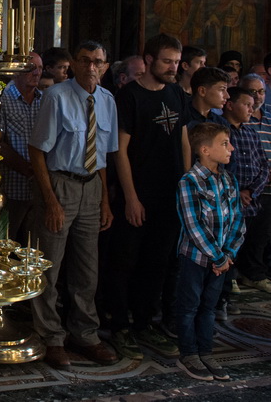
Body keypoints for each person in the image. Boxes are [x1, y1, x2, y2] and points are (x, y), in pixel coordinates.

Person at [28, 41, 119, 370]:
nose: (91, 67)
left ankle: (85, 333)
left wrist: (105, 200)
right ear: (74, 65)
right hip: (60, 184)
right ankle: (51, 336)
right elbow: (37, 151)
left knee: (87, 269)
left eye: (98, 62)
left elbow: (105, 155)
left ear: (105, 67)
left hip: (91, 187)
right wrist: (51, 200)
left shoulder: (108, 101)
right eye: (85, 61)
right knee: (48, 267)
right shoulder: (57, 97)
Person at [108, 33, 190, 361]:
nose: (174, 67)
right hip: (138, 194)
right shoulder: (129, 96)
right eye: (168, 61)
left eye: (177, 61)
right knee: (125, 261)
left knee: (157, 263)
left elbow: (183, 140)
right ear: (149, 60)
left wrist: (186, 187)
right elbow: (120, 151)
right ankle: (119, 327)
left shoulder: (176, 93)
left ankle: (144, 322)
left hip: (169, 195)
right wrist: (130, 197)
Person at [175, 122, 244, 381]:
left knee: (209, 306)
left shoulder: (228, 179)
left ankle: (206, 351)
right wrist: (217, 256)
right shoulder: (189, 182)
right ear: (205, 149)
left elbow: (238, 219)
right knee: (189, 306)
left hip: (221, 261)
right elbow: (194, 226)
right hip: (196, 259)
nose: (232, 148)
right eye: (225, 144)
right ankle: (189, 353)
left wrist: (228, 254)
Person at [221, 87, 270, 296]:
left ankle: (251, 273)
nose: (251, 109)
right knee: (228, 240)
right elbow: (218, 166)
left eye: (253, 105)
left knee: (254, 236)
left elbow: (263, 165)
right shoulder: (221, 130)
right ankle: (228, 278)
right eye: (246, 105)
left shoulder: (250, 131)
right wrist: (237, 192)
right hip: (228, 198)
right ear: (230, 105)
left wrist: (251, 191)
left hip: (252, 197)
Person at [0, 53, 43, 241]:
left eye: (40, 68)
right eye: (31, 68)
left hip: (39, 189)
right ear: (16, 70)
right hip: (13, 186)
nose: (37, 73)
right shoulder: (2, 99)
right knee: (8, 240)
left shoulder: (44, 99)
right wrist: (28, 170)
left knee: (33, 244)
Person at [240, 74, 271, 293]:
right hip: (245, 186)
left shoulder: (269, 117)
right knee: (240, 232)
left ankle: (254, 273)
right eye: (252, 92)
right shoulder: (239, 118)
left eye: (261, 92)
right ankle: (234, 275)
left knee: (262, 233)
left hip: (266, 186)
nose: (257, 96)